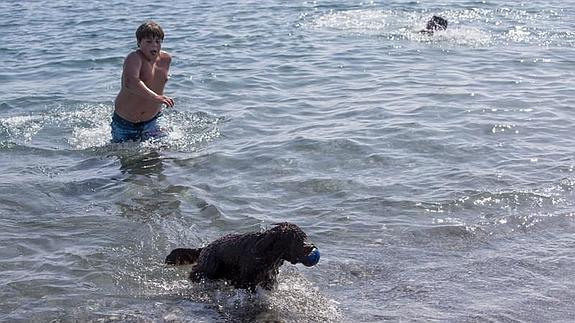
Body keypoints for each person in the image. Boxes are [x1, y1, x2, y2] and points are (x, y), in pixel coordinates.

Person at [111, 20, 174, 143]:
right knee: (128, 159)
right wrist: (156, 97)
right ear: (139, 43)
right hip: (125, 123)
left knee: (162, 154)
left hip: (153, 119)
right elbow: (131, 82)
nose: (154, 45)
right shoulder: (134, 58)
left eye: (158, 41)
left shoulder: (166, 59)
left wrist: (158, 101)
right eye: (149, 41)